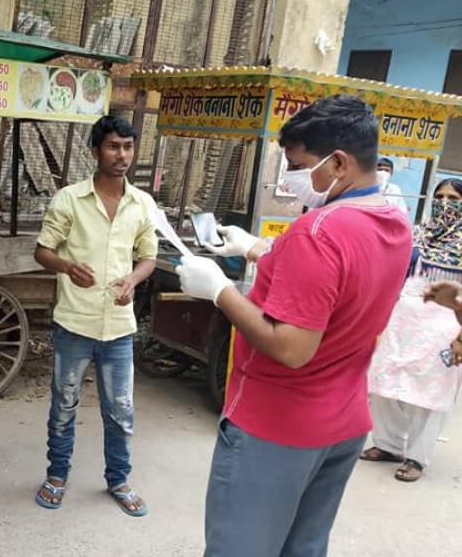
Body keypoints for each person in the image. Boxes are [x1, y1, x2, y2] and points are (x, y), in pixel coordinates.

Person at [175, 95, 413, 557]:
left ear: (339, 163)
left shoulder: (319, 231)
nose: (292, 179)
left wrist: (220, 291)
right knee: (302, 548)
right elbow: (342, 283)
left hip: (277, 426)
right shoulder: (392, 222)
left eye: (298, 165)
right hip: (343, 421)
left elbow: (292, 347)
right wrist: (255, 249)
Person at [31, 115, 158, 517]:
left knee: (121, 410)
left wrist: (133, 280)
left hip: (119, 328)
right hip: (74, 323)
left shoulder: (141, 204)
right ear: (95, 151)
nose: (121, 155)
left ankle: (118, 480)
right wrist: (67, 267)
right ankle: (57, 476)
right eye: (113, 146)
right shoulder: (69, 199)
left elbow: (149, 256)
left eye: (127, 147)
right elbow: (42, 250)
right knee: (63, 405)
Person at [362, 178, 462, 482]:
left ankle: (417, 458)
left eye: (453, 199)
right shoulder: (418, 232)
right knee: (384, 385)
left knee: (429, 395)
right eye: (440, 196)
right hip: (403, 324)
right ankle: (388, 445)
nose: (445, 204)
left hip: (444, 328)